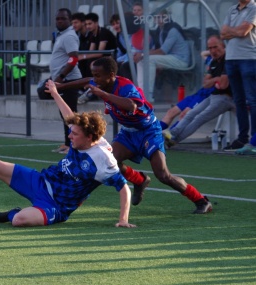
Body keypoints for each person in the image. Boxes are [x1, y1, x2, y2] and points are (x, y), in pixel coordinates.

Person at [0, 80, 135, 228]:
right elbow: (70, 117)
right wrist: (54, 92)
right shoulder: (81, 133)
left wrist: (123, 219)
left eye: (74, 134)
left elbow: (123, 188)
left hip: (56, 205)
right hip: (40, 180)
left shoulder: (102, 159)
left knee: (19, 221)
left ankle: (11, 213)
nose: (69, 136)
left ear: (90, 137)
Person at [55, 57, 212, 214]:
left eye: (98, 75)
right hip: (128, 132)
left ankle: (201, 200)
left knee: (163, 175)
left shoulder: (125, 86)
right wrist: (61, 86)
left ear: (111, 75)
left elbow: (131, 105)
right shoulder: (99, 82)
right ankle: (140, 180)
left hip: (148, 131)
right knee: (110, 162)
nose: (94, 79)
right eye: (94, 75)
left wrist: (103, 94)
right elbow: (86, 80)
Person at [163, 35, 234, 147]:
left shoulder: (228, 59)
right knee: (191, 113)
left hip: (226, 97)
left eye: (215, 47)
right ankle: (171, 136)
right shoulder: (214, 61)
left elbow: (223, 85)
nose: (212, 51)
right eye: (210, 48)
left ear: (223, 46)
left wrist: (214, 79)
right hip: (213, 95)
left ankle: (172, 138)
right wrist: (217, 79)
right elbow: (205, 84)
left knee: (198, 118)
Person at [220, 0, 256, 151]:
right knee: (239, 101)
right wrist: (236, 31)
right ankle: (242, 139)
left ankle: (254, 140)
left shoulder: (254, 7)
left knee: (253, 100)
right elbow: (222, 33)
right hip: (231, 59)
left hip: (249, 59)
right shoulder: (232, 9)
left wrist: (232, 31)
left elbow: (244, 32)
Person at [135, 9, 190, 103]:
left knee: (149, 60)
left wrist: (143, 54)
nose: (159, 19)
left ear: (167, 17)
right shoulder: (160, 29)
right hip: (170, 58)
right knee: (140, 60)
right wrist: (140, 54)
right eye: (157, 17)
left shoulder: (173, 29)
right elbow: (156, 49)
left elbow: (162, 51)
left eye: (162, 17)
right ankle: (141, 94)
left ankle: (148, 95)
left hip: (180, 60)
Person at [49, 8, 82, 155]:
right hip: (63, 79)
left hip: (69, 79)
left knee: (70, 114)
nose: (60, 21)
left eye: (63, 19)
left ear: (70, 20)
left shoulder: (69, 36)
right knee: (64, 113)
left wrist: (60, 77)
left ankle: (73, 145)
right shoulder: (62, 35)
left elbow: (74, 58)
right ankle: (68, 142)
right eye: (58, 19)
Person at [77, 12, 117, 105]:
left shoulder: (103, 32)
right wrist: (83, 57)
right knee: (83, 62)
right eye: (86, 24)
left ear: (96, 23)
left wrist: (83, 56)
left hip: (111, 58)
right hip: (103, 58)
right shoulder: (92, 34)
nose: (88, 26)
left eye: (90, 24)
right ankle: (85, 88)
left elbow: (99, 53)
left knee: (91, 63)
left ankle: (92, 91)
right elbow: (91, 51)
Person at [71, 12, 91, 79]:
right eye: (72, 23)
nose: (73, 25)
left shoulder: (91, 33)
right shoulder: (76, 35)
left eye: (76, 22)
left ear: (83, 22)